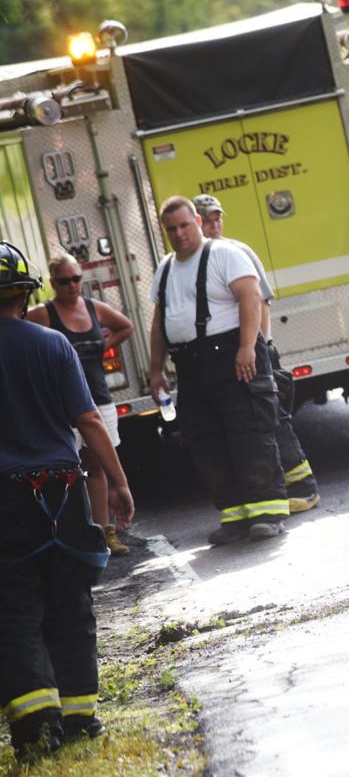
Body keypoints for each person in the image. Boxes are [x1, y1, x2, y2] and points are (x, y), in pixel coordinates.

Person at [0, 240, 135, 758]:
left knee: (14, 608)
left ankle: (36, 725)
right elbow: (88, 420)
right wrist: (119, 482)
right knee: (70, 603)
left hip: (4, 502)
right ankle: (80, 717)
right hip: (61, 492)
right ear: (27, 292)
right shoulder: (53, 345)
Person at [148, 196, 288, 546]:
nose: (179, 234)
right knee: (206, 440)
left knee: (249, 433)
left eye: (184, 225)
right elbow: (158, 322)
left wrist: (245, 348)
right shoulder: (165, 268)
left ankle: (267, 513)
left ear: (197, 221)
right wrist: (155, 370)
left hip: (231, 355)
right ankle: (235, 516)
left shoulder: (225, 255)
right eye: (171, 229)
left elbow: (250, 298)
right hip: (191, 364)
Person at [192, 195, 319, 514]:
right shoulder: (194, 262)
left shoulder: (236, 252)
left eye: (218, 218)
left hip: (256, 352)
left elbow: (260, 302)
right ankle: (273, 492)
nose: (214, 224)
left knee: (274, 419)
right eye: (207, 219)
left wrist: (261, 348)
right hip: (224, 356)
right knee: (251, 427)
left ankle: (304, 488)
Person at [25, 254, 135, 557]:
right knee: (65, 470)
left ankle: (104, 532)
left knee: (97, 465)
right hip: (61, 405)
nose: (72, 285)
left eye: (76, 278)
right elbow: (18, 337)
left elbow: (126, 326)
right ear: (52, 283)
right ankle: (70, 535)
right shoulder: (42, 315)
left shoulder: (93, 308)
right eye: (64, 281)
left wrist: (103, 346)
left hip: (97, 398)